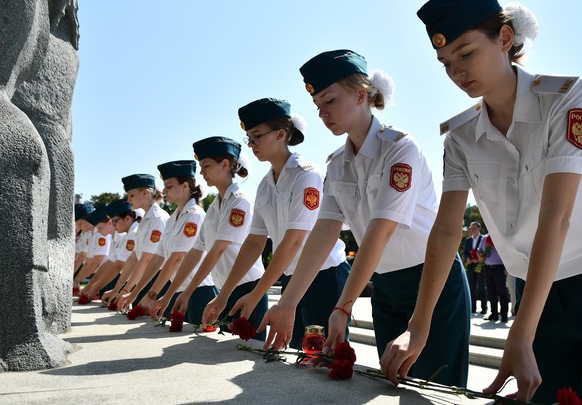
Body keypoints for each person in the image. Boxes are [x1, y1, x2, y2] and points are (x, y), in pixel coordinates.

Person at [380, 2, 582, 403]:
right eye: (444, 62)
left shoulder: (565, 97)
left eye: (466, 52)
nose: (457, 72)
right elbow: (445, 231)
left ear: (505, 39)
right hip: (535, 294)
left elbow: (556, 216)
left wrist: (520, 333)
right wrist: (417, 328)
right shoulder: (459, 137)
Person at [259, 49, 470, 386]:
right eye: (318, 107)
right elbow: (324, 233)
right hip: (385, 285)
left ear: (361, 95)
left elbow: (379, 231)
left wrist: (343, 307)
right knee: (391, 385)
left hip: (432, 280)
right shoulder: (337, 163)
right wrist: (288, 303)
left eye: (329, 101)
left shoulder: (400, 147)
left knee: (437, 387)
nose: (323, 113)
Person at [201, 98, 350, 349]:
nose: (251, 144)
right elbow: (254, 242)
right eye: (249, 137)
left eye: (257, 136)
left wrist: (257, 293)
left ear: (281, 134)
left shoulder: (306, 174)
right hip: (292, 276)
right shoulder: (265, 185)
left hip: (324, 275)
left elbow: (294, 240)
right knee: (296, 355)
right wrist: (223, 296)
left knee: (324, 357)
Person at [168, 136, 267, 341]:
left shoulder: (239, 202)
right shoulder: (214, 208)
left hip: (247, 286)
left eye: (206, 166)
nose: (202, 172)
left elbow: (218, 248)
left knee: (246, 353)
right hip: (227, 289)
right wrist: (185, 292)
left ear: (224, 164)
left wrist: (218, 296)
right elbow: (196, 252)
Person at [132, 160, 218, 325]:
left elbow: (177, 258)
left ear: (185, 186)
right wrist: (140, 293)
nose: (164, 191)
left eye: (169, 186)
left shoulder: (194, 215)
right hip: (180, 290)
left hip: (200, 291)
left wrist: (154, 295)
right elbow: (158, 258)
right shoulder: (173, 219)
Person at [100, 174, 169, 309]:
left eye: (131, 195)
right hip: (145, 280)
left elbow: (146, 259)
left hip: (158, 280)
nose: (129, 200)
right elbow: (133, 258)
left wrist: (127, 291)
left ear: (145, 193)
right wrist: (117, 290)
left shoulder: (157, 218)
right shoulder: (145, 220)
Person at [80, 200, 143, 300]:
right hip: (126, 281)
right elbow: (109, 263)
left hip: (134, 282)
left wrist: (94, 289)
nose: (113, 225)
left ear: (127, 218)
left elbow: (118, 265)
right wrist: (91, 287)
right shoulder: (125, 235)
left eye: (114, 221)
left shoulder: (131, 235)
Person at [73, 204, 113, 290]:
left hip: (107, 275)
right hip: (99, 275)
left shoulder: (100, 234)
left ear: (88, 219)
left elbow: (96, 262)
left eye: (80, 224)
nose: (79, 228)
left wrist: (77, 281)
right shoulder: (87, 234)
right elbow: (87, 261)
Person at [478, 234, 509, 323]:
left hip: (500, 268)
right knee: (491, 293)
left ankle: (504, 316)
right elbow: (479, 250)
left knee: (502, 293)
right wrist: (480, 255)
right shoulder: (484, 238)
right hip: (488, 268)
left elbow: (507, 253)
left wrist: (507, 268)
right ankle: (494, 314)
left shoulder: (501, 236)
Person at [463, 221, 487, 314]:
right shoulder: (468, 240)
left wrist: (479, 259)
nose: (472, 230)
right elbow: (465, 252)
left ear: (479, 228)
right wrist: (467, 258)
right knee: (471, 287)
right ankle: (472, 308)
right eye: (471, 228)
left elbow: (486, 251)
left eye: (474, 228)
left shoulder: (483, 238)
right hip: (470, 266)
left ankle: (484, 308)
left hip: (480, 266)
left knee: (482, 287)